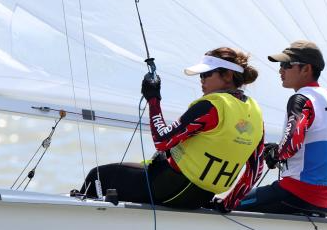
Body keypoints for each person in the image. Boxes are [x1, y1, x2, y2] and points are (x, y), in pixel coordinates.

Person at [75, 47, 265, 209]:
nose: (201, 79)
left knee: (97, 177)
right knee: (140, 169)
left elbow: (162, 141)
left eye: (206, 74)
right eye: (200, 75)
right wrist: (227, 204)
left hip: (169, 188)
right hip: (201, 197)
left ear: (228, 75)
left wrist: (153, 99)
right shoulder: (256, 114)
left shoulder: (211, 106)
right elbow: (256, 169)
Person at [222, 40, 327, 216]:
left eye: (286, 65)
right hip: (324, 202)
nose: (280, 70)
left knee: (226, 204)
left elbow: (291, 144)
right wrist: (278, 150)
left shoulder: (302, 99)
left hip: (294, 195)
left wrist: (275, 153)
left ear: (306, 69)